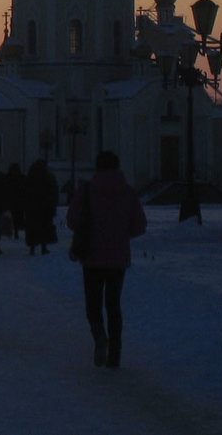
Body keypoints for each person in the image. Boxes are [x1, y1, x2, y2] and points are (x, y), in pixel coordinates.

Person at [67, 150, 146, 369]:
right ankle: (115, 353)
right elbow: (140, 225)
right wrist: (120, 234)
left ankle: (100, 337)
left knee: (93, 304)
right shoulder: (128, 192)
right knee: (113, 304)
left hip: (91, 256)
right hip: (117, 257)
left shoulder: (87, 191)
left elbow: (72, 220)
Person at [24, 160, 59, 255]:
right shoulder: (48, 177)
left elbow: (25, 193)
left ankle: (32, 248)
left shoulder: (30, 178)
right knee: (44, 227)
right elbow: (54, 192)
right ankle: (43, 247)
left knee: (33, 228)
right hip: (45, 207)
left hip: (33, 208)